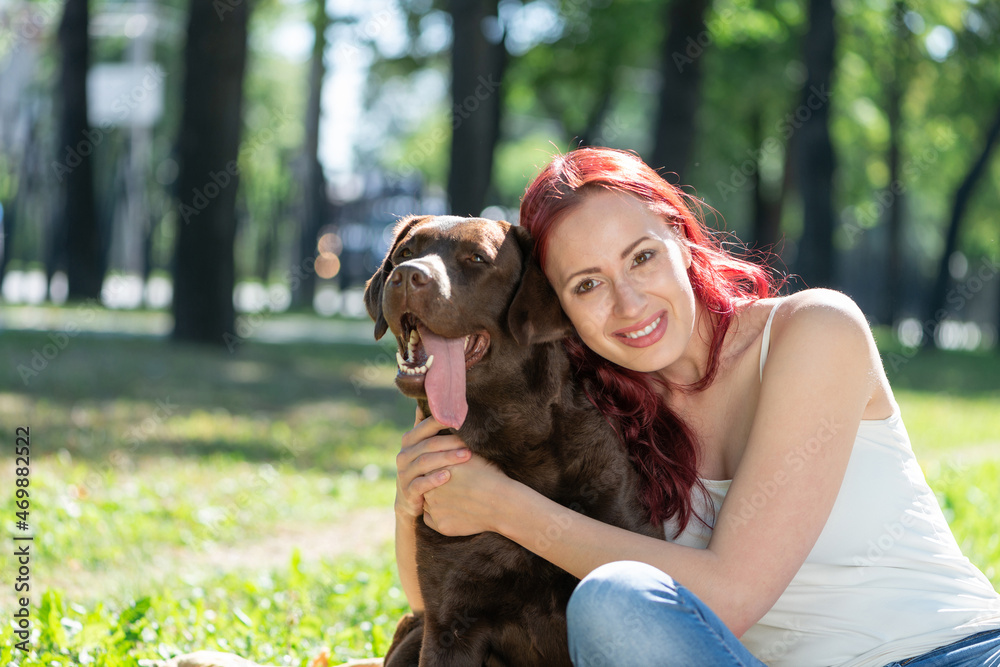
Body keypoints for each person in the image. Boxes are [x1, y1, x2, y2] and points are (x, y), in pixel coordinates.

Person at [393, 147, 1000, 667]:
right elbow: (434, 604)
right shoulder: (605, 413)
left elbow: (730, 596)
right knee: (619, 612)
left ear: (680, 239)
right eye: (587, 284)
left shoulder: (813, 331)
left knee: (614, 600)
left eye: (641, 257)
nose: (628, 303)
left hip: (952, 651)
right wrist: (415, 494)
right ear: (553, 312)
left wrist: (501, 505)